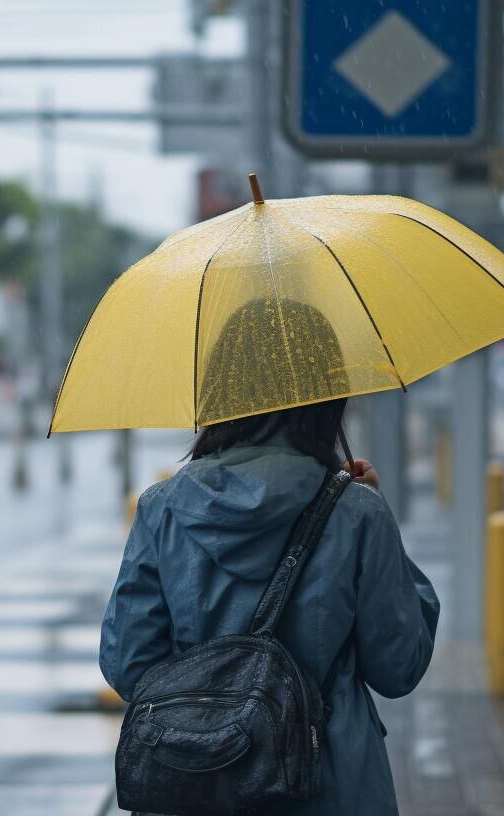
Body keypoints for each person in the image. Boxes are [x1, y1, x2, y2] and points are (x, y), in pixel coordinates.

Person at [100, 298, 440, 815]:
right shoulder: (355, 514)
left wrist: (215, 703)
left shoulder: (162, 512)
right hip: (333, 788)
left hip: (198, 791)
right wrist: (375, 520)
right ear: (326, 395)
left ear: (219, 395)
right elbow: (399, 666)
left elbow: (127, 663)